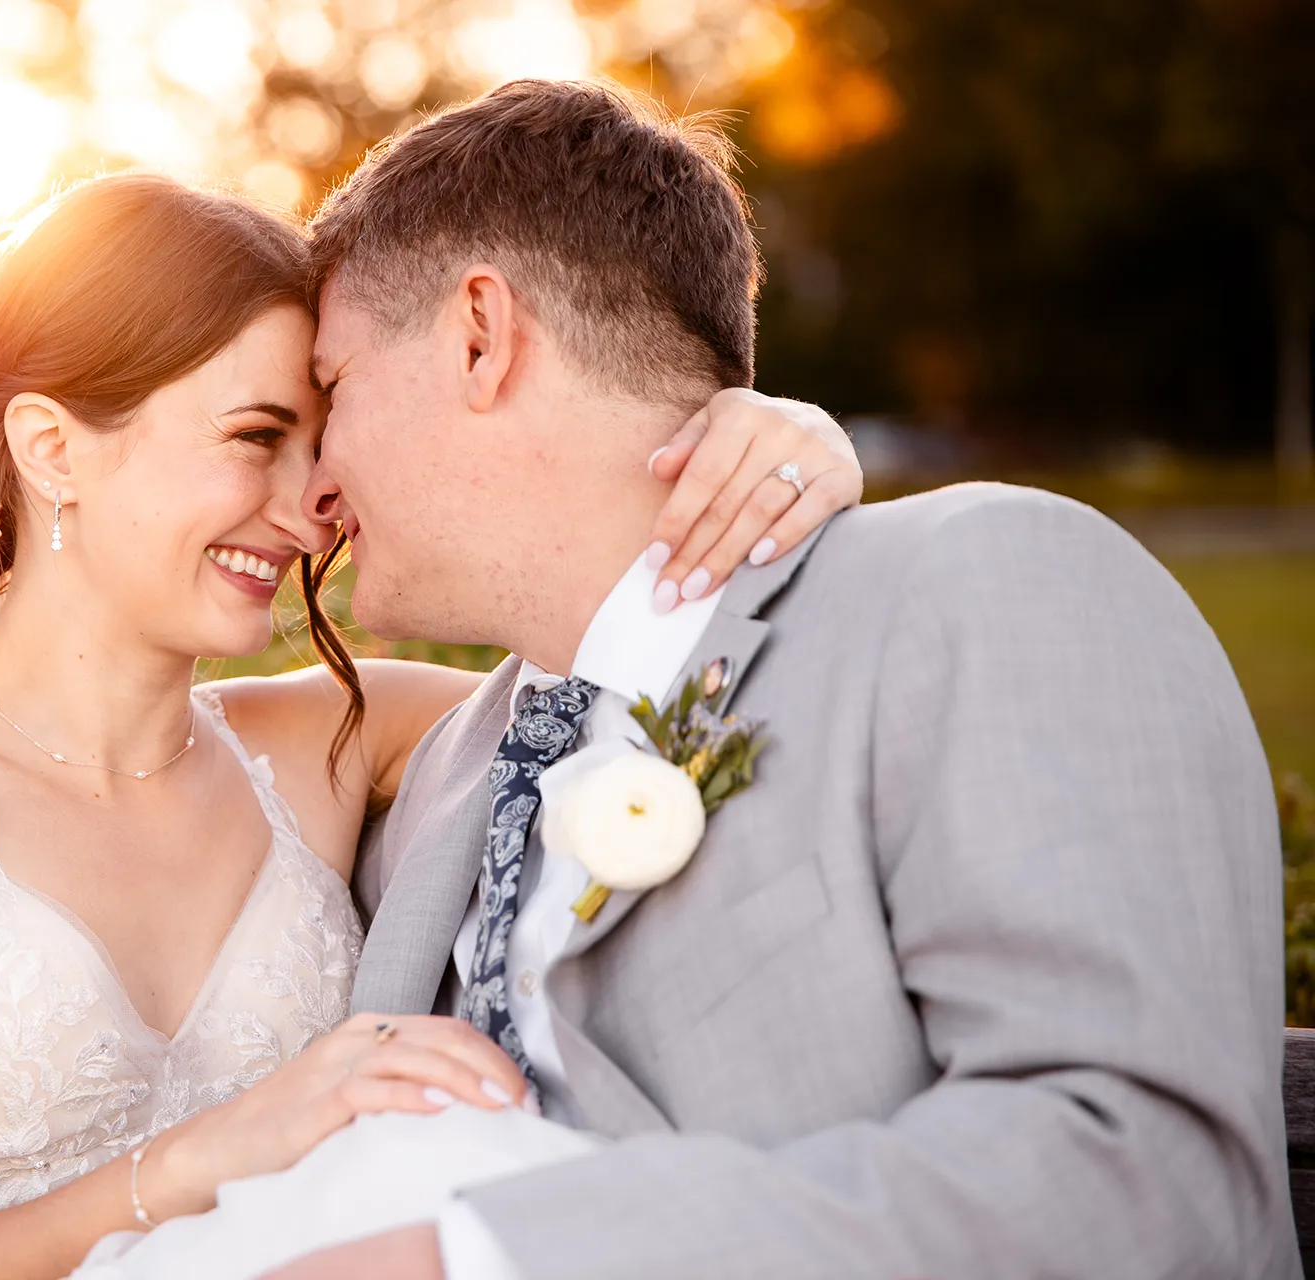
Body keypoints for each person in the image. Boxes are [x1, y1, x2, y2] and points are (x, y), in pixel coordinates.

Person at [0, 172, 864, 1280]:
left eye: (318, 437)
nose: (313, 500)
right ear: (57, 449)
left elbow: (632, 667)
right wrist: (214, 1156)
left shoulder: (329, 742)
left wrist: (772, 444)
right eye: (257, 437)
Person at [264, 78, 1294, 1278]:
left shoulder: (978, 591)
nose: (315, 488)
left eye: (330, 393)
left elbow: (1147, 1181)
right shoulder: (439, 768)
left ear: (481, 336)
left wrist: (481, 1256)